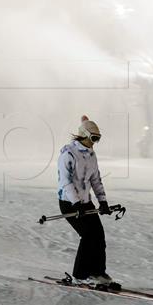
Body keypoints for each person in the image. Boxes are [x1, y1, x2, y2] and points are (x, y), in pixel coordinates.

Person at [57, 115, 116, 287]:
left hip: (85, 202)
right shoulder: (68, 154)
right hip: (69, 203)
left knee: (99, 235)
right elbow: (65, 182)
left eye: (98, 139)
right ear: (84, 135)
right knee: (88, 236)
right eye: (94, 138)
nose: (95, 142)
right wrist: (76, 202)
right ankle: (81, 275)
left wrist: (103, 202)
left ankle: (98, 272)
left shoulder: (91, 155)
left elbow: (96, 180)